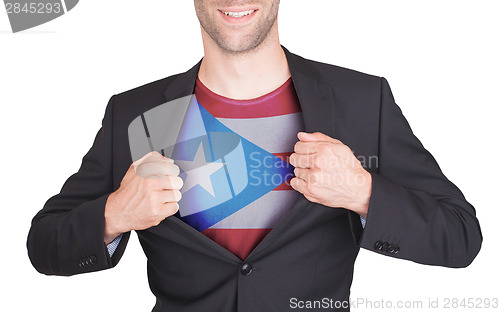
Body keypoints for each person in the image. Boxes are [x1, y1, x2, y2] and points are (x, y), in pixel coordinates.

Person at [27, 1, 482, 311]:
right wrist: (114, 214)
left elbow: (460, 236)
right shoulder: (135, 113)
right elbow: (44, 245)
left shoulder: (363, 101)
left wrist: (363, 192)